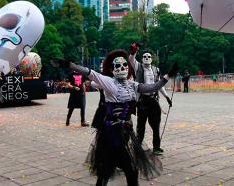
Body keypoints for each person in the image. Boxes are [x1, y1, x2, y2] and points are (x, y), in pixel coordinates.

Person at [54, 50, 178, 186]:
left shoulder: (132, 84)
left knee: (112, 170)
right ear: (112, 69)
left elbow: (153, 87)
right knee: (124, 169)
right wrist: (69, 64)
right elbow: (89, 72)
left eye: (125, 65)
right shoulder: (108, 82)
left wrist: (168, 75)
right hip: (112, 133)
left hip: (125, 132)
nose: (122, 68)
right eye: (117, 66)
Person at [129, 43, 172, 155]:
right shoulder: (138, 67)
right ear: (142, 59)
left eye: (149, 57)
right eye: (144, 57)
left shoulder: (156, 69)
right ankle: (138, 147)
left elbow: (159, 85)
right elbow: (131, 60)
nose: (147, 58)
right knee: (141, 125)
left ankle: (156, 147)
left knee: (156, 125)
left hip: (153, 100)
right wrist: (133, 52)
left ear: (152, 59)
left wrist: (166, 97)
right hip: (142, 100)